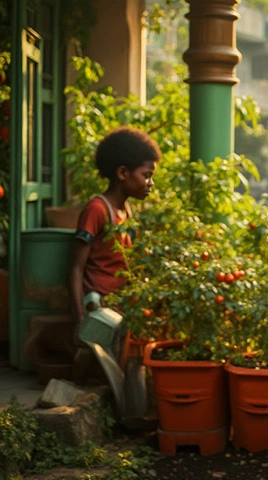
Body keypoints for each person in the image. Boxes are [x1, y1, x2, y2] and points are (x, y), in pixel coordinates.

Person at [69, 126, 161, 383]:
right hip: (100, 312)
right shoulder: (97, 210)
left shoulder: (127, 212)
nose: (150, 183)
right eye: (147, 175)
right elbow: (76, 267)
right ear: (122, 173)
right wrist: (80, 321)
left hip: (124, 309)